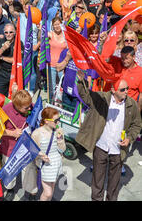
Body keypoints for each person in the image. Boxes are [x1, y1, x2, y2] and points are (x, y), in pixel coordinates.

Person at [75, 71, 142, 201]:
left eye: (127, 88)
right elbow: (86, 96)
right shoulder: (102, 99)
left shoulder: (131, 105)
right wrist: (81, 81)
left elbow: (137, 125)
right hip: (101, 146)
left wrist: (129, 138)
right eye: (122, 89)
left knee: (114, 184)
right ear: (113, 90)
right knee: (97, 181)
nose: (126, 92)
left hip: (118, 150)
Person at [0, 90, 38, 201]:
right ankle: (10, 189)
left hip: (27, 146)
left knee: (29, 170)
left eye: (29, 105)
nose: (30, 109)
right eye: (26, 108)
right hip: (10, 147)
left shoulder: (32, 106)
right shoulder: (5, 110)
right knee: (10, 170)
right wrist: (12, 133)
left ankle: (31, 192)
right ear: (17, 106)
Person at [31, 107, 66, 201]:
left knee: (52, 188)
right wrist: (41, 155)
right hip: (45, 165)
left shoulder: (58, 131)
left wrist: (60, 139)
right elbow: (32, 150)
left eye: (59, 119)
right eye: (56, 120)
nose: (58, 122)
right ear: (46, 121)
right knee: (47, 192)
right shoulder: (37, 133)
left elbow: (63, 150)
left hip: (56, 163)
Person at [0, 23, 16, 95]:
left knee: (14, 96)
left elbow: (15, 60)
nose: (8, 34)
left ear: (14, 33)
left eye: (11, 32)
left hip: (14, 73)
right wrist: (3, 48)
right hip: (2, 73)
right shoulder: (0, 41)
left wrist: (2, 57)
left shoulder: (18, 43)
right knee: (0, 96)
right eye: (6, 32)